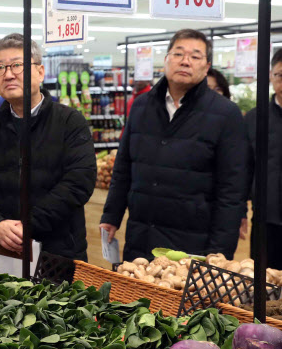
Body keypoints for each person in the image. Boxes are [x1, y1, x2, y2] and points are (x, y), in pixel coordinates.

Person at [100, 29, 248, 261]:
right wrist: (111, 215)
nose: (185, 61)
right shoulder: (141, 107)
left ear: (206, 66)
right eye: (178, 53)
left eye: (195, 56)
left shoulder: (226, 114)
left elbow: (232, 191)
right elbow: (123, 168)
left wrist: (219, 253)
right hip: (141, 239)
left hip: (191, 246)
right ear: (166, 59)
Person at [0, 33, 96, 270]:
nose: (9, 74)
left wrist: (28, 225)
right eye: (0, 67)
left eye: (17, 65)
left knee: (58, 306)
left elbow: (78, 182)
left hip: (58, 250)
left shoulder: (69, 122)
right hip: (0, 248)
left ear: (40, 72)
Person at [244, 49, 282, 269]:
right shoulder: (255, 118)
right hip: (265, 218)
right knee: (264, 281)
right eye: (280, 75)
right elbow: (245, 167)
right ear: (271, 76)